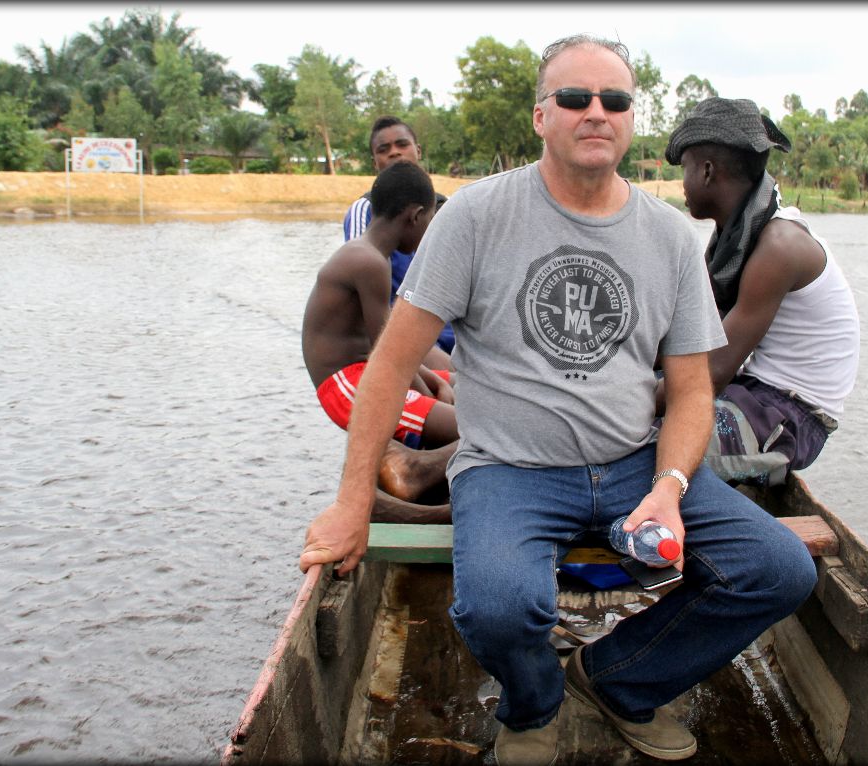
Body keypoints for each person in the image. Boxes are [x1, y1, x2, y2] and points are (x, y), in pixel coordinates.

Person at [300, 35, 817, 766]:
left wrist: (670, 487)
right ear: (542, 115)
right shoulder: (476, 217)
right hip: (510, 468)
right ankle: (533, 704)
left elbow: (695, 392)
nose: (595, 112)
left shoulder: (668, 236)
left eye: (615, 100)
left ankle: (619, 680)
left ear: (632, 119)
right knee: (499, 607)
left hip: (637, 461)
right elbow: (389, 366)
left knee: (779, 570)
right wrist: (353, 501)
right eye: (575, 98)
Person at [660, 97, 860, 485]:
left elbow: (712, 372)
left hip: (791, 415)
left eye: (683, 169)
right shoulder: (736, 238)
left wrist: (617, 407)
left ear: (706, 172)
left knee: (647, 443)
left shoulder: (779, 246)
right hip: (754, 388)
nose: (681, 184)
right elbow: (691, 331)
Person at [302, 160, 459, 505]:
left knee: (464, 384)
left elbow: (391, 348)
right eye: (431, 221)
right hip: (348, 387)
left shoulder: (373, 255)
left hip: (366, 373)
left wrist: (438, 382)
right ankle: (412, 472)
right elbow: (391, 356)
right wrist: (432, 398)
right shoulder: (369, 263)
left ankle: (421, 463)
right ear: (415, 216)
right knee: (482, 429)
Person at [344, 115, 457, 358]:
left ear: (417, 150)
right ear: (375, 162)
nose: (394, 153)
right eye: (384, 150)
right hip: (403, 335)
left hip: (453, 334)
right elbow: (359, 294)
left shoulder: (446, 208)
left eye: (402, 145)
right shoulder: (364, 210)